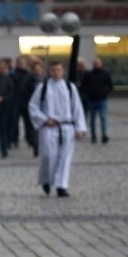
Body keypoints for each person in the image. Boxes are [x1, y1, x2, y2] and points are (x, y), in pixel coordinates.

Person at [29, 61, 88, 197]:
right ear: (49, 72)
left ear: (62, 71)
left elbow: (77, 108)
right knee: (49, 156)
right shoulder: (42, 87)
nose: (56, 72)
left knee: (64, 158)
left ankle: (62, 186)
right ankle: (46, 180)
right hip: (49, 127)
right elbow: (33, 106)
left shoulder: (70, 87)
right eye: (53, 70)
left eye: (59, 70)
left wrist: (80, 128)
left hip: (67, 127)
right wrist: (44, 119)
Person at [79, 56, 113, 144]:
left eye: (98, 63)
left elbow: (110, 86)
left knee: (103, 118)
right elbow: (83, 86)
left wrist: (105, 92)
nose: (96, 64)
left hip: (102, 100)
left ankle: (104, 135)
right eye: (95, 63)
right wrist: (88, 93)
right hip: (91, 100)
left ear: (101, 64)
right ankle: (93, 136)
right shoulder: (89, 74)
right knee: (92, 119)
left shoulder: (105, 74)